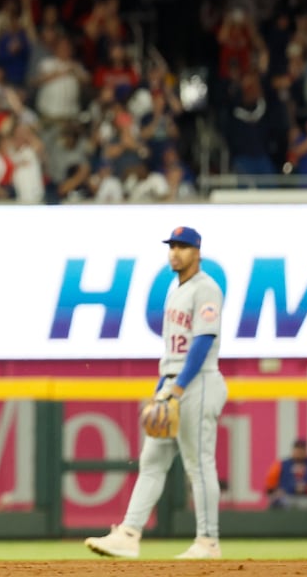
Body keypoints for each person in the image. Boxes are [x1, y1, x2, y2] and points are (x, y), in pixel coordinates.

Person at [85, 226, 226, 561]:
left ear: (198, 252)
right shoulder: (175, 289)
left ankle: (208, 542)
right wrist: (163, 386)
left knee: (199, 463)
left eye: (183, 246)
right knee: (151, 461)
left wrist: (176, 387)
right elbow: (173, 350)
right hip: (172, 382)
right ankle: (129, 534)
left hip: (198, 381)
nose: (175, 252)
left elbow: (203, 342)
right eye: (172, 246)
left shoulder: (206, 289)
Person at [265, 438, 307, 509]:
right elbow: (270, 487)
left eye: (302, 449)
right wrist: (276, 491)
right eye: (297, 449)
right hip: (287, 496)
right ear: (293, 450)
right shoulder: (282, 464)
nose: (300, 452)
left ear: (305, 451)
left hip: (306, 498)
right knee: (277, 501)